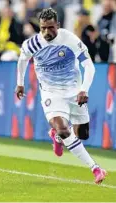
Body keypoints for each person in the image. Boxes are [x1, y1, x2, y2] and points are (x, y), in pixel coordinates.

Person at [15, 8, 107, 184]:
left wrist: (84, 89)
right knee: (64, 129)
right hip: (51, 93)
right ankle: (95, 168)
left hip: (74, 91)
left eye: (50, 27)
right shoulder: (33, 44)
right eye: (43, 28)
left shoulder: (69, 39)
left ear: (57, 25)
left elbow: (89, 66)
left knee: (83, 134)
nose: (46, 32)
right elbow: (22, 60)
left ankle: (56, 136)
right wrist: (20, 82)